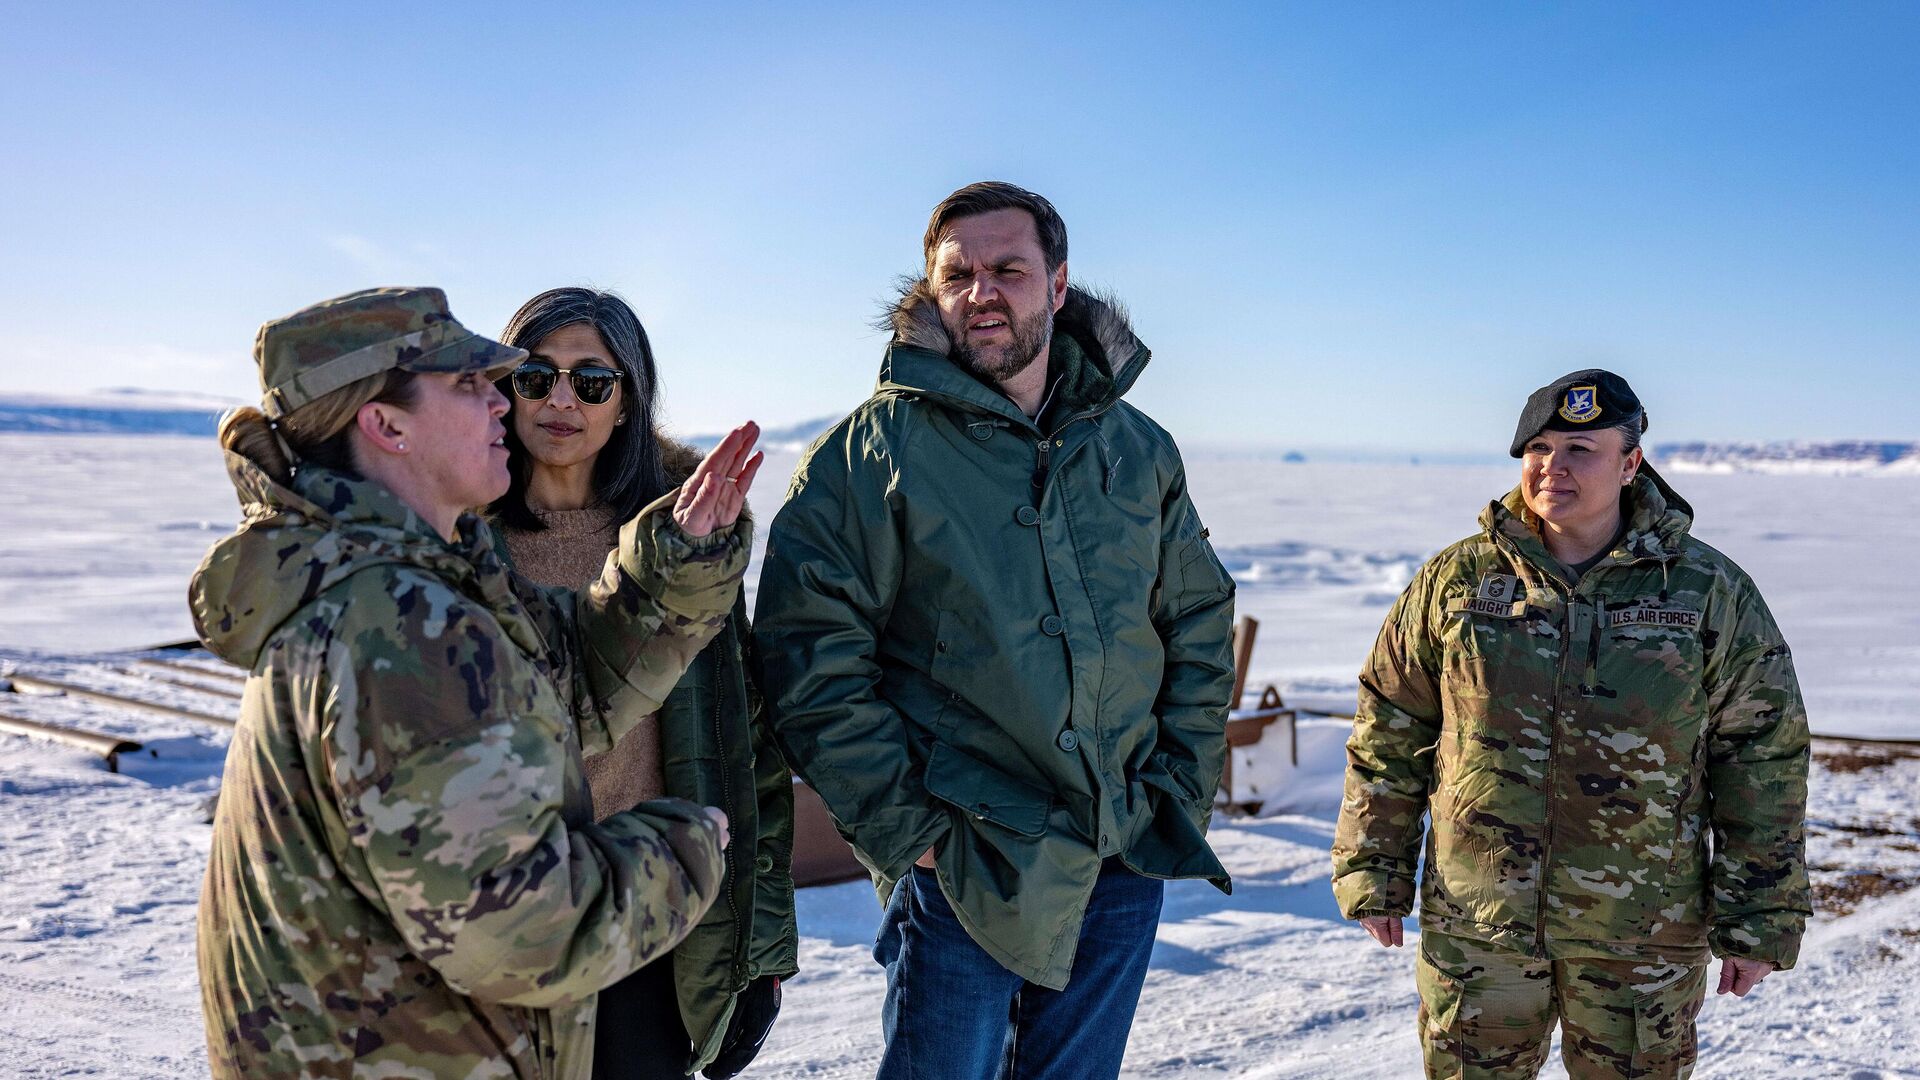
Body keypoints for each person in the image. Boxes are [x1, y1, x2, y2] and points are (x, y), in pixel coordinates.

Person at [190, 286, 762, 1080]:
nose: (502, 401)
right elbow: (520, 935)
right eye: (469, 384)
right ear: (387, 427)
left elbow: (570, 682)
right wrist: (682, 849)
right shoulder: (399, 625)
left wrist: (674, 563)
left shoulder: (411, 578)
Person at [754, 181, 1237, 1080]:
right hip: (965, 865)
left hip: (1120, 849)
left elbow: (1197, 619)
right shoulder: (869, 455)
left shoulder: (1137, 449)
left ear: (1058, 284)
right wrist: (911, 832)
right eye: (958, 275)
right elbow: (807, 657)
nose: (982, 293)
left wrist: (1175, 785)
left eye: (1008, 270)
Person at [1332, 369, 1810, 1077]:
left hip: (1642, 934)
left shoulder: (1705, 591)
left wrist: (1761, 913)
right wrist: (1374, 865)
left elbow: (1763, 755)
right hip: (1480, 925)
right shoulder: (1457, 582)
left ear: (1630, 463)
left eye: (1580, 450)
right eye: (1539, 449)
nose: (1553, 468)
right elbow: (1391, 724)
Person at [489, 287, 796, 1080]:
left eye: (592, 381)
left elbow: (744, 747)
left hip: (651, 909)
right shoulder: (460, 540)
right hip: (497, 919)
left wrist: (760, 951)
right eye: (535, 376)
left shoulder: (682, 543)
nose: (561, 400)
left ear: (626, 402)